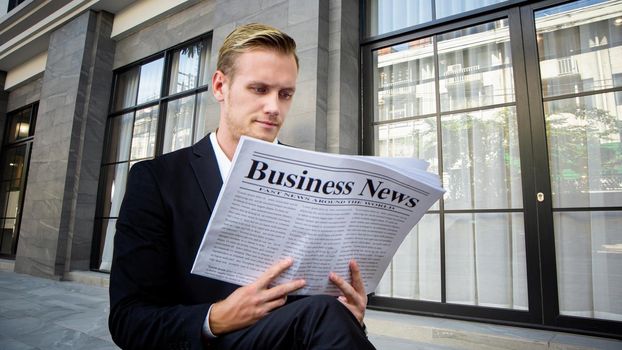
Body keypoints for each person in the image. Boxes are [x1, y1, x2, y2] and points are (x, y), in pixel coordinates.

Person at [108, 23, 376, 350]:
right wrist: (215, 317)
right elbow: (128, 320)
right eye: (259, 90)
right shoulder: (157, 180)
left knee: (325, 311)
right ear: (221, 86)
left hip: (298, 338)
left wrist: (350, 316)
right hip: (210, 345)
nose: (275, 108)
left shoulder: (316, 178)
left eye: (285, 94)